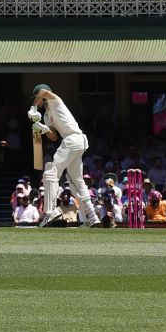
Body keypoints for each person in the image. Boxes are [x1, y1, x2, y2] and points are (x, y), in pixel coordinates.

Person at [28, 82, 97, 226]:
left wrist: (33, 108)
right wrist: (43, 128)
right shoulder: (46, 115)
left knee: (51, 171)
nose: (38, 101)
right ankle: (91, 216)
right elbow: (53, 136)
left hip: (73, 139)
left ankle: (50, 211)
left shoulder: (55, 100)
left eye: (37, 99)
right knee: (76, 180)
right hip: (75, 141)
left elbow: (42, 92)